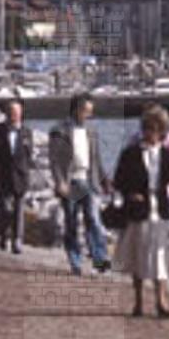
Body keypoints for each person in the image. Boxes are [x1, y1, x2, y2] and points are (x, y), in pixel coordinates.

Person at [111, 104, 169, 317]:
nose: (151, 133)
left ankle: (161, 301)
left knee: (159, 254)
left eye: (156, 129)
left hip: (160, 208)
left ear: (162, 131)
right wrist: (130, 194)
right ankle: (138, 301)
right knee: (139, 255)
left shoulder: (167, 154)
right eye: (148, 128)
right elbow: (119, 180)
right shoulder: (130, 153)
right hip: (138, 210)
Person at [47, 94, 111, 277]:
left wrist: (105, 180)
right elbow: (54, 160)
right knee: (72, 223)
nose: (88, 115)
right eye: (86, 111)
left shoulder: (91, 131)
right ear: (76, 109)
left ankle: (100, 261)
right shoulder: (59, 130)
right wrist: (60, 182)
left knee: (94, 220)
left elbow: (96, 159)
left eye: (90, 112)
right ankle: (75, 262)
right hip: (70, 182)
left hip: (88, 180)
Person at [0, 99, 35, 254]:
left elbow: (29, 153)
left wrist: (25, 168)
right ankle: (3, 234)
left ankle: (17, 240)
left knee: (19, 210)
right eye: (12, 113)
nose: (15, 116)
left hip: (20, 176)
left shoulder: (26, 132)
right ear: (6, 114)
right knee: (4, 209)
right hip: (2, 175)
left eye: (17, 113)